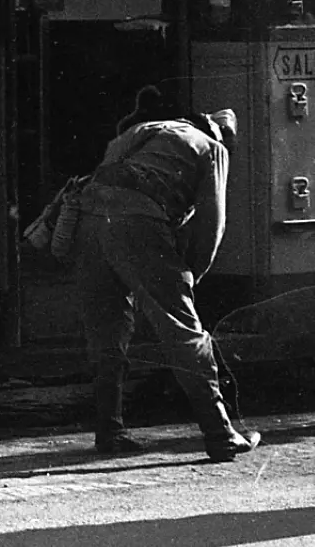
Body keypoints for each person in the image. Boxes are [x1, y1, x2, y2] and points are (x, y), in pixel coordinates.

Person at [73, 86, 258, 462]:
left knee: (107, 334)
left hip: (88, 221)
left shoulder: (150, 129)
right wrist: (191, 278)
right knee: (184, 333)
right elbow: (212, 226)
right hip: (137, 223)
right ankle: (220, 433)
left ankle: (109, 431)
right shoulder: (213, 150)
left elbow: (104, 168)